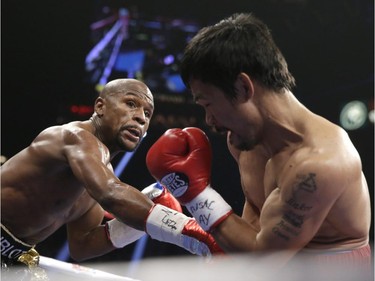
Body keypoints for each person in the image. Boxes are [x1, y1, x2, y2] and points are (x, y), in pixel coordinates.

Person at [146, 13, 372, 276]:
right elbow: (251, 234)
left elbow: (263, 257)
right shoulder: (243, 142)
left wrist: (196, 196)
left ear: (243, 87)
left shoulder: (320, 163)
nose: (209, 120)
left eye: (208, 103)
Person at [1, 79, 222, 275]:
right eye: (131, 104)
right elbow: (112, 193)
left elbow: (83, 245)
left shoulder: (96, 176)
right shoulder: (74, 137)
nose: (139, 117)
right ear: (100, 106)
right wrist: (195, 233)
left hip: (11, 255)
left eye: (147, 114)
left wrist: (137, 225)